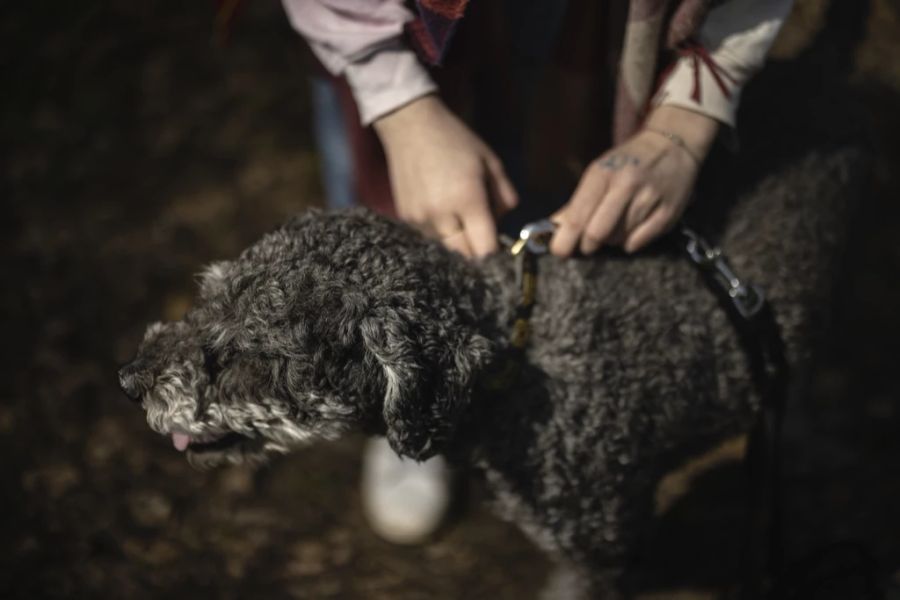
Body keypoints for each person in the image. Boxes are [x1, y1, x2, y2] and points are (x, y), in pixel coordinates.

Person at [283, 0, 795, 544]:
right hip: (383, 18)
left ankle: (515, 397)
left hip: (591, 26)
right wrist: (399, 104)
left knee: (554, 186)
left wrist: (686, 120)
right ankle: (406, 406)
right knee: (374, 210)